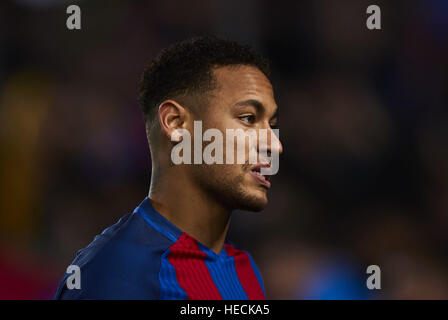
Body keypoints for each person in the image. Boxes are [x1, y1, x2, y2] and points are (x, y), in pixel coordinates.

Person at [55, 36, 282, 299]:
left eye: (271, 124)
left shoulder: (243, 267)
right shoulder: (117, 274)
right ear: (175, 123)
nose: (274, 145)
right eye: (247, 118)